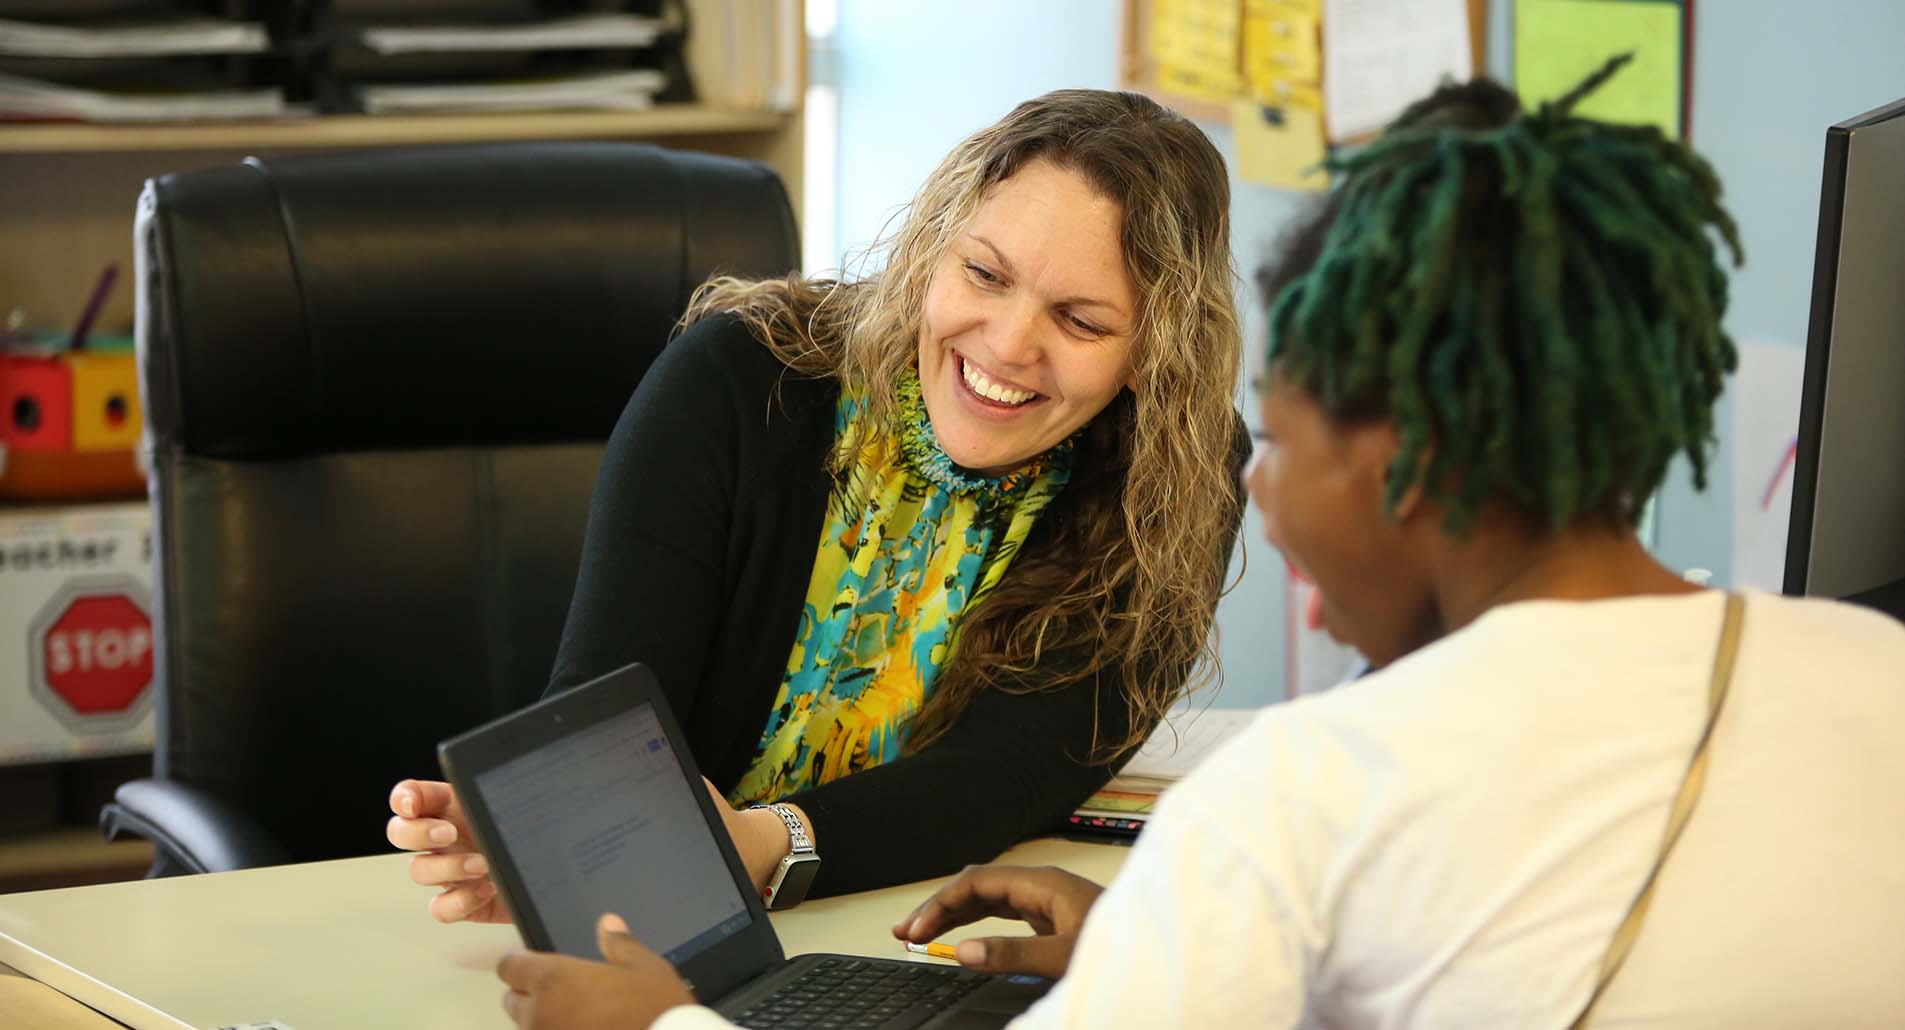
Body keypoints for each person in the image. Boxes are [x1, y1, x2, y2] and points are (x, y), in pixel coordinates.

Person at [493, 61, 1905, 1028]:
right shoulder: (1875, 675)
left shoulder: (1298, 803)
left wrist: (662, 1022)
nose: (1263, 504)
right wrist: (1172, 950)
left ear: (1398, 457)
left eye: (1279, 439)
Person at [386, 88, 1248, 925]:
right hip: (684, 923)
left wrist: (768, 841)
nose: (1009, 343)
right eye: (984, 274)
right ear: (931, 252)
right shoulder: (742, 376)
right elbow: (604, 706)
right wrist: (547, 829)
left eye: (1082, 322)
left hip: (903, 921)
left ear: (1151, 356)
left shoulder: (1178, 468)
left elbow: (1013, 770)